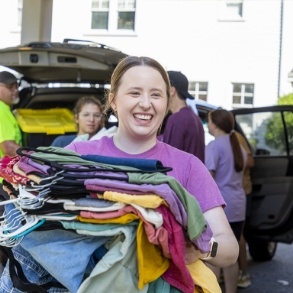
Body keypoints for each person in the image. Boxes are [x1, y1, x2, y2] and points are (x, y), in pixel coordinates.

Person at [66, 56, 239, 269]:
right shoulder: (76, 155)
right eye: (134, 93)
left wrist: (200, 246)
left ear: (167, 102)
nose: (146, 104)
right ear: (113, 100)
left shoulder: (188, 166)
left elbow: (230, 249)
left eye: (156, 95)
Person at [205, 109, 247, 293]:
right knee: (232, 257)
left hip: (220, 208)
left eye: (208, 120)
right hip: (238, 205)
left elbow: (207, 179)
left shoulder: (214, 146)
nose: (207, 124)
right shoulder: (238, 146)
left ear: (215, 124)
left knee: (215, 256)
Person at [0, 71, 22, 274]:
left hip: (4, 179)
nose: (15, 90)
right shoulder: (1, 110)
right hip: (3, 181)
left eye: (16, 85)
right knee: (8, 232)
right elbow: (8, 146)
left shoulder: (6, 110)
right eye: (10, 86)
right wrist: (34, 158)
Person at [160, 71, 205, 163]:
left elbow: (170, 161)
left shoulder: (177, 119)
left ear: (172, 91)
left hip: (180, 177)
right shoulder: (194, 117)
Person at [235, 131, 254, 288]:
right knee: (236, 235)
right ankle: (238, 273)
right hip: (237, 193)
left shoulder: (234, 137)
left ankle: (243, 273)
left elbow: (250, 161)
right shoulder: (222, 141)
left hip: (240, 191)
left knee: (237, 235)